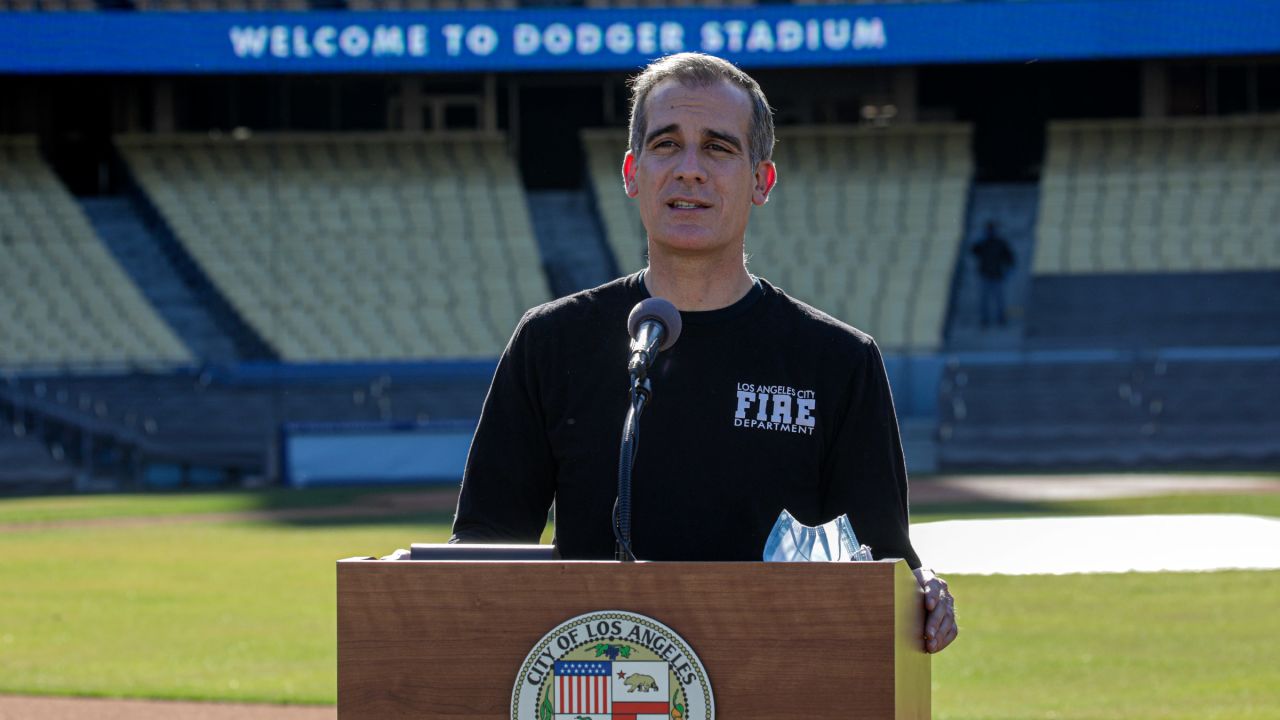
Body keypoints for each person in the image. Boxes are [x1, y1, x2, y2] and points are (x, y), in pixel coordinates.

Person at [451, 52, 957, 654]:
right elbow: (481, 554)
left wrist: (920, 589)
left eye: (718, 148)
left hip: (772, 687)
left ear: (761, 181)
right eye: (667, 145)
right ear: (633, 172)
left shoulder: (838, 361)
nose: (689, 170)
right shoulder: (551, 341)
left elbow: (880, 564)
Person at [971, 220, 1015, 327]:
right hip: (985, 275)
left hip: (997, 275)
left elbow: (1009, 257)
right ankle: (984, 319)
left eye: (991, 230)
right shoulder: (983, 243)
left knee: (999, 299)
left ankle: (1001, 319)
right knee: (984, 300)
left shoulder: (1000, 243)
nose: (990, 232)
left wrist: (1007, 269)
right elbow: (973, 250)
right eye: (988, 230)